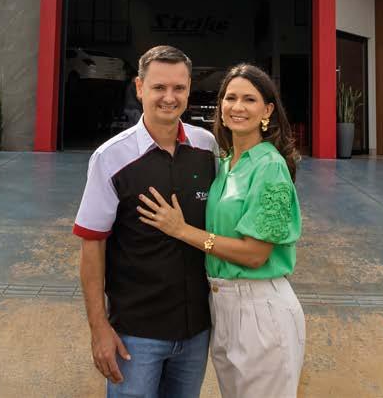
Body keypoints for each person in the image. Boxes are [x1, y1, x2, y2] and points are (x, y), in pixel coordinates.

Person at [137, 63, 304, 398]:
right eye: (230, 98)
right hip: (223, 307)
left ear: (267, 110)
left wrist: (181, 230)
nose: (237, 107)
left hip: (260, 309)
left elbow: (255, 255)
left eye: (249, 99)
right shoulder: (226, 164)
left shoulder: (270, 167)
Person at [73, 45, 219, 397]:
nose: (169, 97)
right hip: (135, 336)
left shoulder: (207, 148)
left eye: (179, 88)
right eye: (159, 87)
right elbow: (92, 245)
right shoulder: (110, 158)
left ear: (189, 89)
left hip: (196, 332)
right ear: (139, 88)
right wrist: (98, 328)